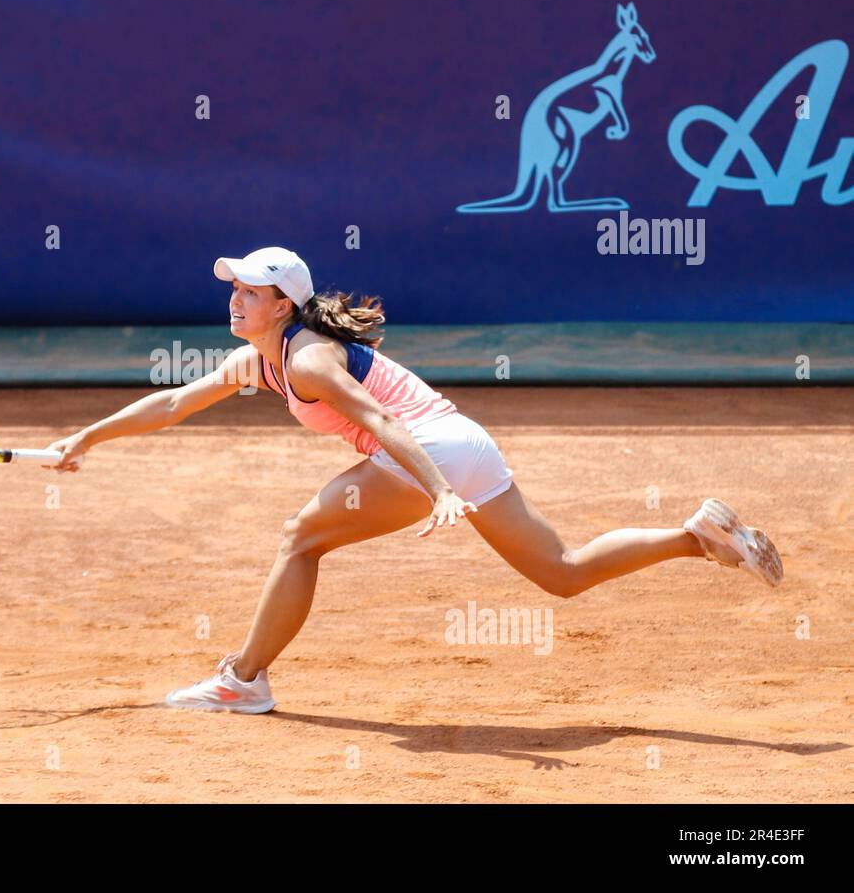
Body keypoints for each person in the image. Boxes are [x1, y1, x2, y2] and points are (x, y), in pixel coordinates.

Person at [44, 247, 783, 714]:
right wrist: (88, 437)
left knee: (300, 539)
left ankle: (243, 679)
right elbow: (174, 401)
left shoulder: (306, 361)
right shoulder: (263, 358)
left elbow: (379, 419)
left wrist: (438, 489)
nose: (234, 296)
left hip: (428, 451)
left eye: (249, 289)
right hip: (466, 441)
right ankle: (697, 537)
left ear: (283, 305)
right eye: (233, 286)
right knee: (561, 574)